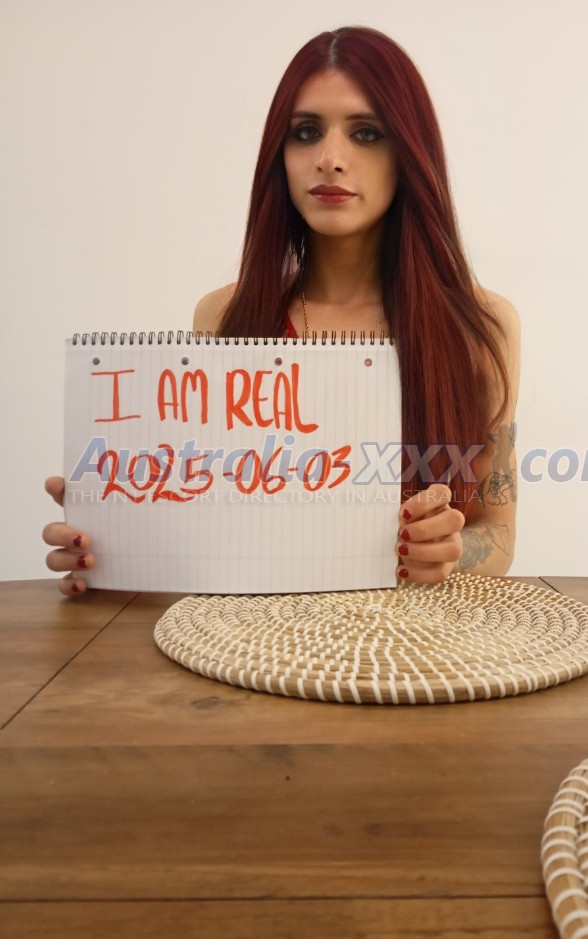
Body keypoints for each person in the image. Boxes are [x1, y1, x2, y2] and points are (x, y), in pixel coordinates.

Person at [43, 26, 520, 597]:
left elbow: (499, 535)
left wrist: (448, 550)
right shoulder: (223, 317)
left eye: (366, 133)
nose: (331, 159)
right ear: (281, 155)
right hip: (256, 639)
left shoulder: (482, 326)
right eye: (306, 132)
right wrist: (114, 537)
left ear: (409, 153)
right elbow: (209, 523)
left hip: (417, 642)